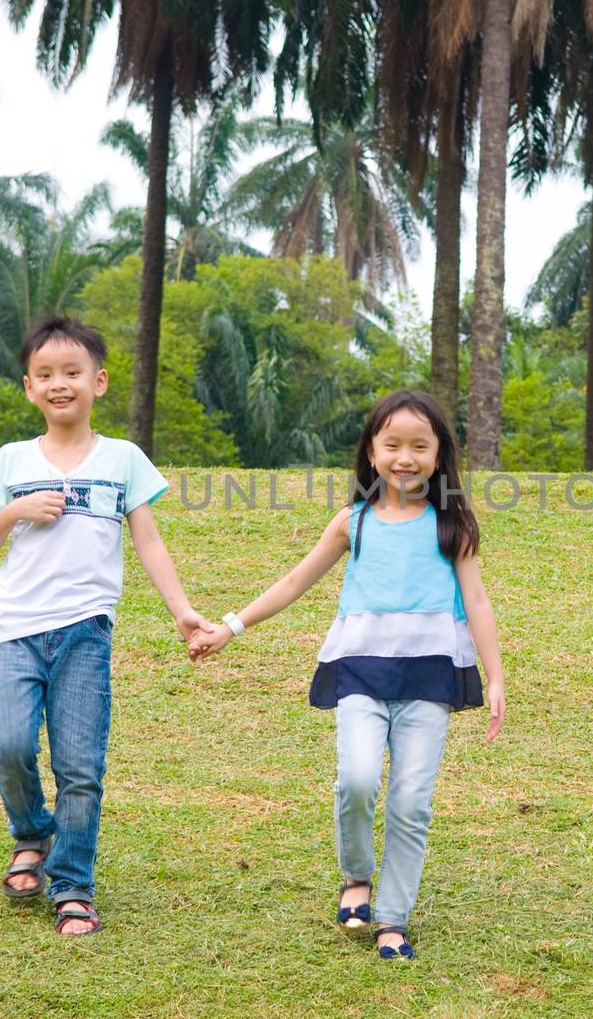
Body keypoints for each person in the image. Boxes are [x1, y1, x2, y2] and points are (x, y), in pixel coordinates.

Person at [189, 389, 506, 959]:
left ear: (439, 456)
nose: (405, 458)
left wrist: (497, 675)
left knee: (411, 800)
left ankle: (392, 919)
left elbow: (477, 602)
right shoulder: (352, 522)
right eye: (392, 445)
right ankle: (355, 877)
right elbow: (293, 582)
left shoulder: (450, 524)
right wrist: (229, 627)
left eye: (419, 446)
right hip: (360, 673)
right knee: (357, 781)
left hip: (430, 681)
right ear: (371, 452)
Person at [0, 315, 214, 936]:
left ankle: (73, 884)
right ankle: (32, 834)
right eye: (46, 375)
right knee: (8, 746)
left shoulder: (122, 459)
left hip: (86, 632)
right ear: (29, 387)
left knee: (80, 765)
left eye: (72, 373)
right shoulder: (12, 460)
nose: (60, 385)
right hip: (17, 630)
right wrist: (18, 509)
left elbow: (150, 542)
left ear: (98, 383)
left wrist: (182, 611)